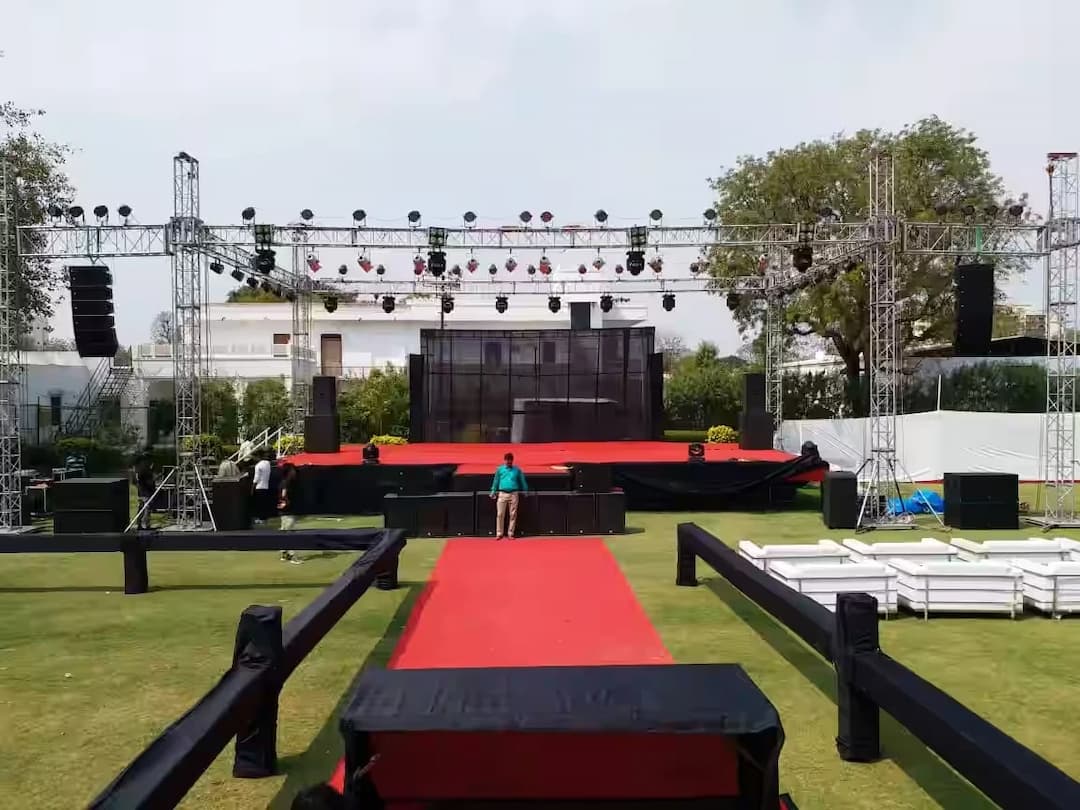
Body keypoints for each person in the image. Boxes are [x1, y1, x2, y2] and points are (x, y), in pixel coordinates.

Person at [490, 451, 528, 539]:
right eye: (507, 461)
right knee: (500, 514)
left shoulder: (517, 470)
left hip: (514, 494)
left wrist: (525, 490)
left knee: (513, 514)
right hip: (502, 493)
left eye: (510, 461)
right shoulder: (500, 469)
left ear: (512, 461)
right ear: (504, 460)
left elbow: (522, 480)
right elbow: (496, 481)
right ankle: (499, 533)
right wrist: (493, 491)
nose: (508, 462)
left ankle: (510, 533)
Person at [278, 463, 302, 564]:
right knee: (290, 532)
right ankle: (292, 556)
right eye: (292, 470)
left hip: (284, 511)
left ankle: (284, 554)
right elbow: (283, 495)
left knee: (284, 531)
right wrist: (284, 502)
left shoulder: (284, 482)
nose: (294, 472)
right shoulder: (286, 483)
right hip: (288, 511)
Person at [133, 453, 156, 530]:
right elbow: (148, 481)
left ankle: (140, 524)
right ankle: (144, 525)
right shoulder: (145, 469)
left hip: (141, 491)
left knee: (142, 507)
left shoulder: (138, 469)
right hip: (146, 492)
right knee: (146, 508)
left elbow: (135, 481)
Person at [251, 449, 272, 524]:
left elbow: (256, 478)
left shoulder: (258, 466)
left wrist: (252, 488)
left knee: (259, 504)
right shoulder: (267, 463)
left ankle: (261, 518)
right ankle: (264, 518)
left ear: (257, 456)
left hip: (259, 487)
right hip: (266, 486)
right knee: (264, 504)